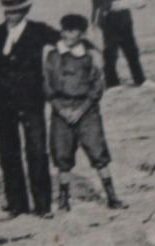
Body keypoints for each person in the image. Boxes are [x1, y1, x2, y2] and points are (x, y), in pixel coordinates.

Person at [0, 0, 61, 218]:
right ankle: (16, 205)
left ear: (26, 10)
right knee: (8, 152)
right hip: (1, 101)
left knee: (37, 151)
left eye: (15, 11)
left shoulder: (39, 31)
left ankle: (42, 206)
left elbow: (66, 42)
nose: (10, 16)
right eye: (7, 11)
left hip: (31, 100)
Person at [43, 14, 125, 212]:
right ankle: (64, 199)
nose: (67, 35)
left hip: (87, 111)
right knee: (62, 154)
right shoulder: (53, 56)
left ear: (81, 33)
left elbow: (97, 87)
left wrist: (80, 110)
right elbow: (46, 85)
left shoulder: (91, 57)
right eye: (64, 30)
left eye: (72, 31)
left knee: (98, 152)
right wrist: (61, 109)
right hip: (61, 111)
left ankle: (112, 196)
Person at [91, 0, 149, 89]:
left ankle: (140, 80)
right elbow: (98, 2)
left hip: (124, 20)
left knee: (132, 51)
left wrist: (135, 3)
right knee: (111, 53)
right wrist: (120, 4)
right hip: (109, 22)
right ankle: (112, 83)